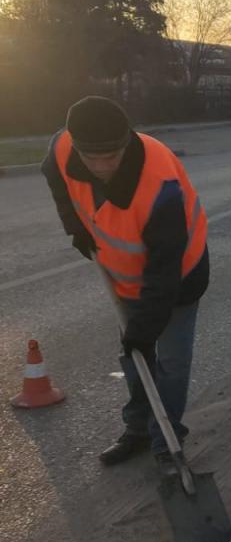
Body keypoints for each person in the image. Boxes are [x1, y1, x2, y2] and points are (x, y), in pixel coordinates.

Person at [41, 96, 209, 474]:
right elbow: (51, 168)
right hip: (124, 276)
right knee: (136, 360)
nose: (102, 167)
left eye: (112, 157)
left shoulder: (159, 184)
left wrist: (144, 331)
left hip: (179, 277)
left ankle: (167, 441)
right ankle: (137, 430)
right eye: (92, 158)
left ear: (127, 141)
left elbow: (164, 274)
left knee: (167, 362)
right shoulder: (66, 145)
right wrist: (74, 224)